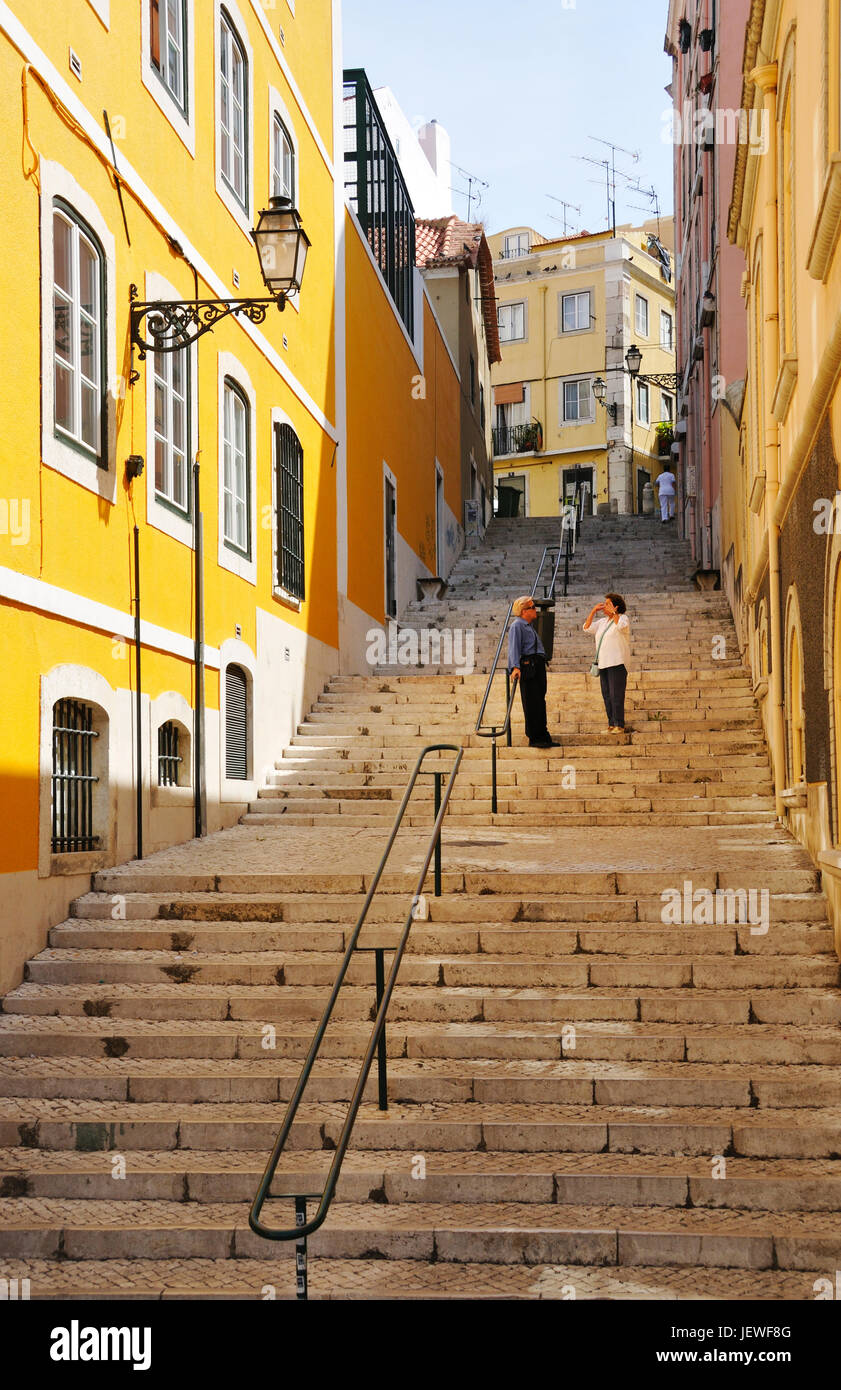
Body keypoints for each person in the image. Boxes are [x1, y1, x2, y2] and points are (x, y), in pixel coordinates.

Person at [508, 595, 558, 749]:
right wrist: (515, 667)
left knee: (539, 700)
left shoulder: (529, 626)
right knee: (531, 701)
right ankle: (535, 736)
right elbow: (513, 647)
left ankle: (543, 734)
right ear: (524, 611)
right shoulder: (517, 626)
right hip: (528, 665)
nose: (535, 610)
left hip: (538, 664)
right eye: (531, 607)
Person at [583, 593, 631, 733]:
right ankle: (611, 724)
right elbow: (586, 627)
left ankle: (619, 725)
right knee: (607, 694)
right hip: (603, 663)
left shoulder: (623, 618)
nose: (604, 606)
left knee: (616, 694)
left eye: (608, 603)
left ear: (616, 606)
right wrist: (593, 611)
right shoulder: (602, 622)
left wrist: (615, 613)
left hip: (617, 662)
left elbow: (622, 627)